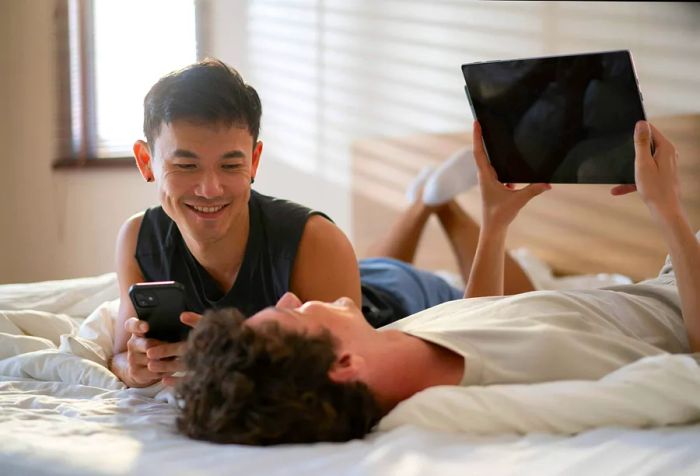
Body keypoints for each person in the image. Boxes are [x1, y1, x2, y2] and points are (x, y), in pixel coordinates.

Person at [175, 120, 700, 445]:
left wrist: (494, 223)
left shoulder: (397, 355)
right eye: (289, 314)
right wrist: (667, 209)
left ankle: (437, 203)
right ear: (342, 364)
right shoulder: (478, 396)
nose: (288, 296)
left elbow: (481, 320)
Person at [110, 58, 531, 388]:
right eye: (185, 164)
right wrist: (138, 368)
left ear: (255, 161)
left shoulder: (314, 239)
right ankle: (425, 201)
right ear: (147, 161)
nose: (209, 187)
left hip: (394, 302)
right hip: (354, 281)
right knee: (368, 273)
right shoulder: (137, 239)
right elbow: (119, 356)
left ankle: (438, 205)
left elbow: (469, 332)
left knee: (526, 303)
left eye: (230, 164)